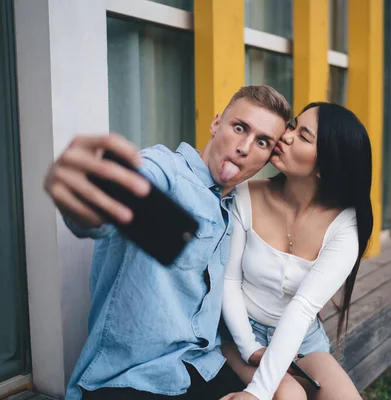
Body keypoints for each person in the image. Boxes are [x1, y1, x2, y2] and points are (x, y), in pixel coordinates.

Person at [43, 85, 291, 400]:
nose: (244, 147)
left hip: (202, 364)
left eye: (262, 142)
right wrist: (87, 195)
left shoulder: (236, 209)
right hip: (132, 378)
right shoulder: (167, 170)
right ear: (216, 124)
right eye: (239, 127)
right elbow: (124, 193)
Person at [219, 102, 373, 400]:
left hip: (302, 339)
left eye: (303, 136)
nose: (285, 136)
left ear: (327, 165)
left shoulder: (344, 227)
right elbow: (229, 281)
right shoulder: (246, 194)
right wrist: (250, 351)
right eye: (293, 126)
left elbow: (303, 308)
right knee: (290, 397)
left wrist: (260, 390)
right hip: (239, 334)